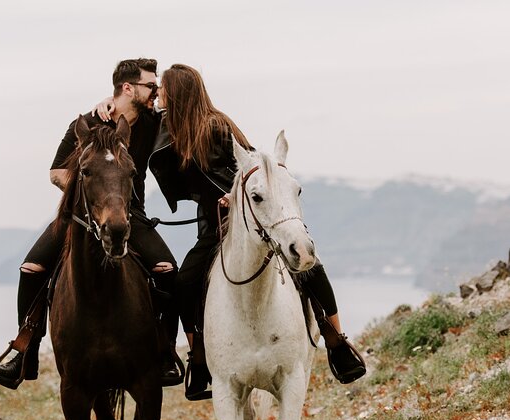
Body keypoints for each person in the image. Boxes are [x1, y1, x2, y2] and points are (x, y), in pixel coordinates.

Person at [112, 64, 366, 400]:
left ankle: (336, 340)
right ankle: (199, 357)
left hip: (245, 219)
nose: (159, 96)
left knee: (309, 265)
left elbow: (253, 165)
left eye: (165, 91)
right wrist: (105, 103)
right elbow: (129, 110)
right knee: (185, 283)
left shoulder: (218, 126)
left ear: (180, 93)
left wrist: (236, 194)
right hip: (211, 223)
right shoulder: (166, 127)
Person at [0, 58, 182, 390]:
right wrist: (92, 193)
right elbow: (55, 172)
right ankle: (25, 352)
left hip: (131, 214)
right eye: (152, 86)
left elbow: (181, 118)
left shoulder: (154, 122)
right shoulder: (87, 123)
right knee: (31, 268)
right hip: (80, 213)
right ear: (128, 88)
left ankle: (164, 353)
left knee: (167, 269)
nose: (156, 92)